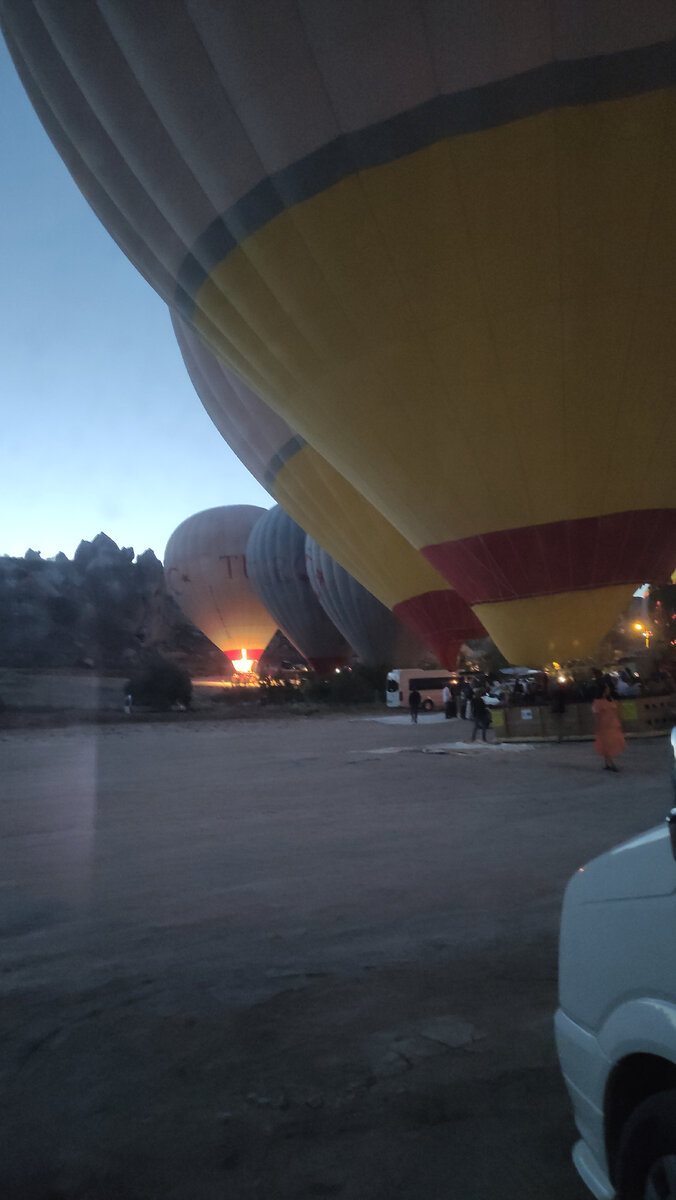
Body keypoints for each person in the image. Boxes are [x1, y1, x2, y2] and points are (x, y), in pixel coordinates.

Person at [592, 683, 626, 771]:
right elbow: (597, 716)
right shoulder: (599, 702)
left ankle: (607, 763)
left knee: (608, 743)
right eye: (607, 689)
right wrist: (596, 726)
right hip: (604, 726)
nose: (608, 690)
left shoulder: (608, 700)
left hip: (611, 724)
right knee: (607, 744)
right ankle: (611, 763)